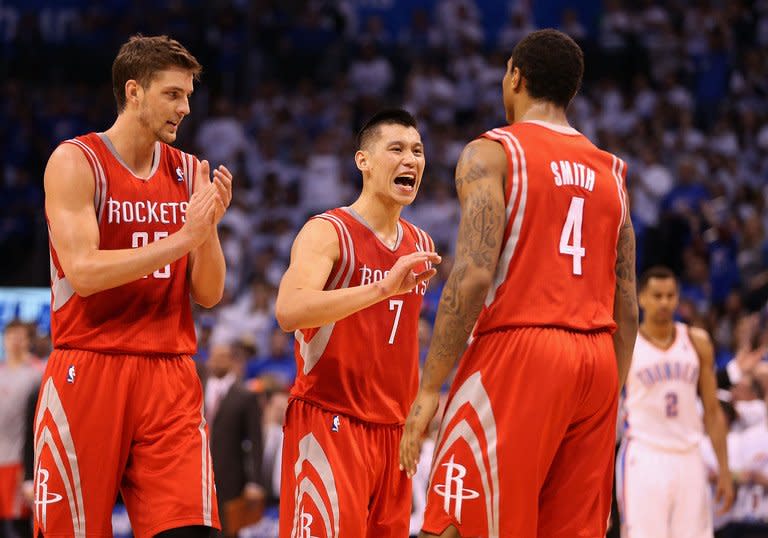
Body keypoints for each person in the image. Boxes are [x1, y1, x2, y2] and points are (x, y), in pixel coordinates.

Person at [400, 29, 639, 538]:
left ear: (515, 77)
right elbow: (629, 304)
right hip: (598, 360)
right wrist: (607, 398)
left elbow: (473, 275)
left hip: (522, 348)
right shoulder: (613, 172)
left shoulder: (493, 152)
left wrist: (428, 388)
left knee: (453, 523)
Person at [34, 34, 232, 537]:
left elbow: (209, 293)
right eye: (172, 94)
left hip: (170, 373)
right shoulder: (76, 161)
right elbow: (83, 272)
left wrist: (205, 234)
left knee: (192, 530)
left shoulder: (189, 171)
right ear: (134, 91)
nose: (185, 108)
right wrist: (182, 237)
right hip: (89, 365)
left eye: (188, 95)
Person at [275, 109, 440, 537]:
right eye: (397, 149)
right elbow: (289, 310)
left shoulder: (420, 243)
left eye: (418, 151)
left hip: (393, 432)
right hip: (331, 419)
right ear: (363, 160)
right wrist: (382, 288)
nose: (411, 160)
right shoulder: (328, 231)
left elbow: (399, 341)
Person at [617, 266, 734, 537]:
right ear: (642, 298)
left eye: (670, 296)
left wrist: (724, 469)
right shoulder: (627, 343)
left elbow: (713, 412)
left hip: (689, 455)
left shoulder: (697, 342)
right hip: (645, 455)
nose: (664, 302)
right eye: (657, 295)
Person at [200, 343, 266, 537]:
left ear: (231, 360)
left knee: (227, 531)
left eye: (222, 356)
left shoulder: (244, 395)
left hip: (231, 478)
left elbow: (256, 441)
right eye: (214, 356)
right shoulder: (197, 389)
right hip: (198, 473)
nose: (217, 361)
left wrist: (255, 482)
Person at [1, 320, 41, 538]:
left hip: (18, 464)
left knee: (17, 528)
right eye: (10, 336)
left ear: (27, 341)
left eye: (19, 337)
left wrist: (29, 473)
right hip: (1, 460)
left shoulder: (37, 374)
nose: (14, 342)